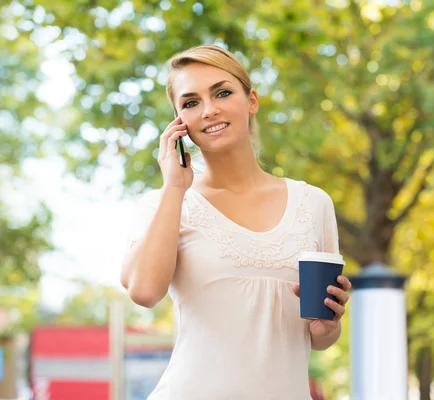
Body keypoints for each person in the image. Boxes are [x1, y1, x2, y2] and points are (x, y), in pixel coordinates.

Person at [120, 44, 351, 400]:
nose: (209, 110)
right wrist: (175, 187)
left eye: (222, 93)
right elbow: (145, 292)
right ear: (179, 123)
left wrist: (327, 326)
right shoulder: (168, 202)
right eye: (190, 102)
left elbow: (321, 339)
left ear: (251, 100)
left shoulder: (314, 203)